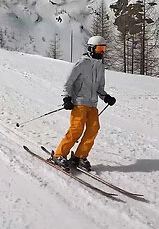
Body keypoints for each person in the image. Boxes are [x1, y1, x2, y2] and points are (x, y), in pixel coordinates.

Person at [50, 36, 116, 171]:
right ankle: (59, 155)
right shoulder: (82, 64)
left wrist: (106, 97)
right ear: (91, 48)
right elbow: (68, 83)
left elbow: (99, 88)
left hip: (92, 104)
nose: (102, 52)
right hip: (79, 102)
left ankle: (79, 156)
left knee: (93, 129)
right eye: (99, 48)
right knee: (76, 129)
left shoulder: (101, 66)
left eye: (103, 48)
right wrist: (66, 98)